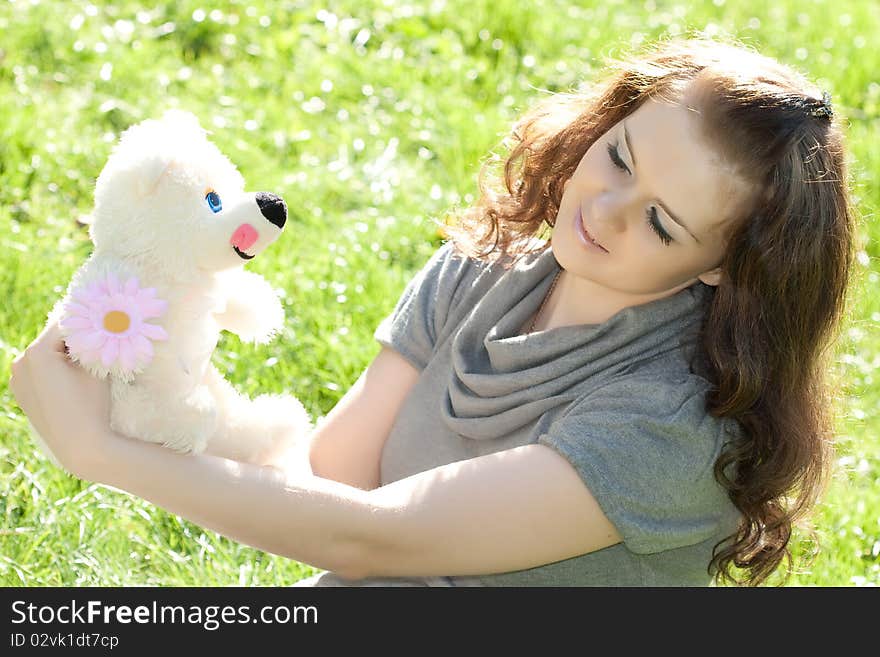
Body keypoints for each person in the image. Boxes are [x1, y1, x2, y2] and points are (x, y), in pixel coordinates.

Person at [10, 37, 857, 587]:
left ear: (723, 268)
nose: (603, 212)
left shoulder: (674, 420)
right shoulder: (486, 265)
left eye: (662, 222)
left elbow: (382, 539)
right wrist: (166, 381)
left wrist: (100, 451)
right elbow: (331, 482)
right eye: (619, 158)